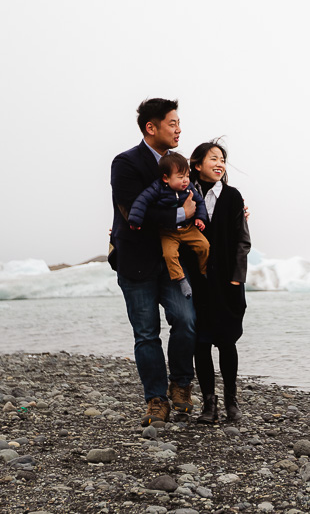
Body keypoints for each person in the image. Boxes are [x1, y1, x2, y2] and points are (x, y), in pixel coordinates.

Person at [109, 98, 198, 426]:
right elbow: (135, 212)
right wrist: (180, 214)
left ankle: (181, 385)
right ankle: (156, 399)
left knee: (186, 322)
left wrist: (235, 212)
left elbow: (197, 197)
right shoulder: (126, 163)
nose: (178, 129)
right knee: (146, 334)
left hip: (173, 261)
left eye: (178, 123)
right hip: (135, 261)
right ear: (152, 127)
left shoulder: (180, 163)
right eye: (172, 123)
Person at [188, 140, 251, 423]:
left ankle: (231, 401)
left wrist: (237, 279)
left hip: (228, 283)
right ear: (197, 164)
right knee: (200, 343)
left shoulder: (233, 197)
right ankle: (208, 404)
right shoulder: (184, 194)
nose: (220, 164)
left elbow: (242, 241)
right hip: (197, 283)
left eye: (222, 159)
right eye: (213, 158)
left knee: (227, 342)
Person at [128, 152, 210, 299]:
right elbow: (141, 202)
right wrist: (135, 220)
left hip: (188, 229)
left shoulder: (189, 188)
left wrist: (200, 218)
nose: (185, 180)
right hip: (168, 232)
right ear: (166, 178)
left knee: (204, 245)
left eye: (186, 176)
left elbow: (200, 202)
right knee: (170, 254)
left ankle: (204, 271)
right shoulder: (157, 188)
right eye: (180, 177)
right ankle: (181, 280)